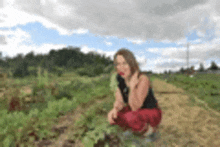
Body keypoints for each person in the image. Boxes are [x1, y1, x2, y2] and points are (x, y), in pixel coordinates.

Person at [107, 48, 162, 140]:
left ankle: (150, 132)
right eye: (118, 64)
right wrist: (114, 109)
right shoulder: (120, 79)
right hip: (135, 113)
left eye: (124, 63)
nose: (121, 68)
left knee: (131, 117)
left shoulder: (142, 78)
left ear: (131, 64)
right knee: (115, 117)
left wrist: (132, 87)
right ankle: (134, 129)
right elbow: (119, 101)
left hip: (151, 112)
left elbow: (135, 106)